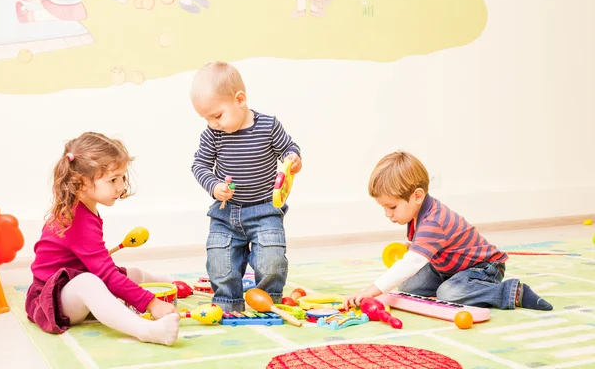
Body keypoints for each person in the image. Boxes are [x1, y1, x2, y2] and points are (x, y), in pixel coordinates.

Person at [344, 151, 553, 312]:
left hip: (483, 267)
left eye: (392, 207)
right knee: (408, 286)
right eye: (384, 208)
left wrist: (371, 291)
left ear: (417, 196)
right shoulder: (418, 214)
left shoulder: (434, 220)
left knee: (449, 293)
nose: (387, 214)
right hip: (448, 267)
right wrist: (412, 247)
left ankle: (512, 292)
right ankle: (458, 284)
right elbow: (425, 250)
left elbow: (412, 262)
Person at [25, 132, 180, 346]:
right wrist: (151, 303)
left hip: (72, 282)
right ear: (81, 183)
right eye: (113, 180)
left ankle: (170, 281)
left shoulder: (85, 208)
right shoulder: (77, 219)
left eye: (122, 178)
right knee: (91, 282)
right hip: (51, 299)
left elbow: (101, 268)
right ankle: (146, 330)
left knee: (128, 273)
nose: (121, 186)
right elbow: (104, 275)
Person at [190, 61, 302, 312]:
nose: (212, 123)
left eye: (217, 115)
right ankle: (229, 301)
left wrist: (293, 160)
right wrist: (214, 185)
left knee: (272, 258)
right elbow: (200, 166)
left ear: (239, 99)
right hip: (226, 212)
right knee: (220, 260)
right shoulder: (212, 135)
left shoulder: (268, 126)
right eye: (206, 118)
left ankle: (267, 300)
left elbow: (289, 149)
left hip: (265, 210)